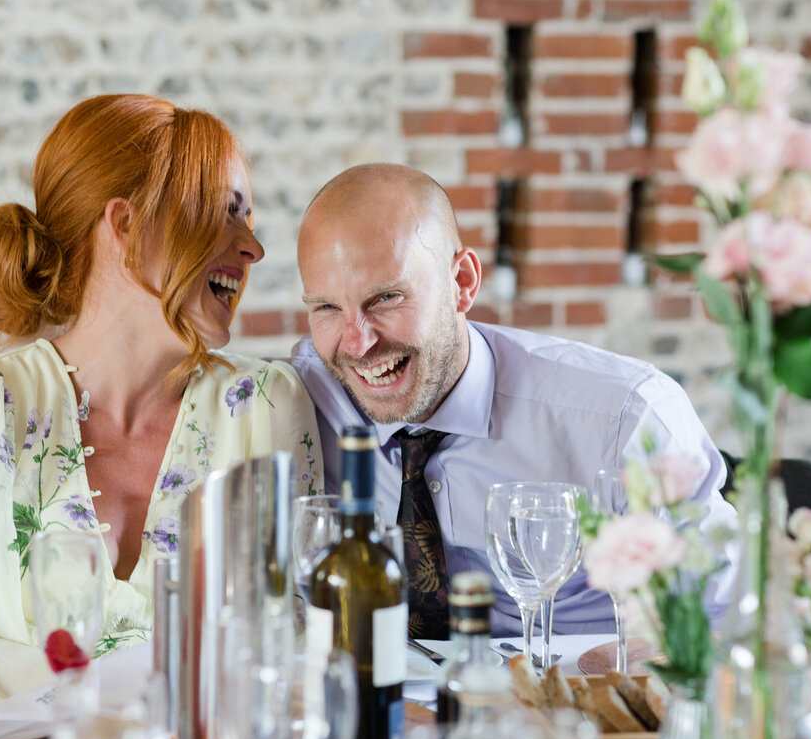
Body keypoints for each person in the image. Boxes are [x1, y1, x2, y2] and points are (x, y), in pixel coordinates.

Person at [0, 94, 323, 721]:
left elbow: (291, 652)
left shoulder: (262, 408)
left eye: (249, 218)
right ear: (125, 225)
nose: (252, 247)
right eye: (226, 214)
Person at [290, 163, 735, 640]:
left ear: (462, 283)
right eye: (327, 308)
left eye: (386, 298)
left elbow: (729, 623)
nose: (358, 344)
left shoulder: (624, 421)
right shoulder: (302, 400)